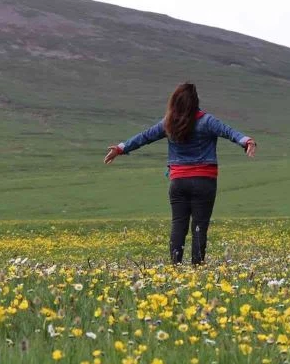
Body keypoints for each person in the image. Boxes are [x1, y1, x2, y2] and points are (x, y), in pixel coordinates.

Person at [104, 82, 256, 265]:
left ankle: (175, 266)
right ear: (196, 101)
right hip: (204, 181)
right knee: (200, 226)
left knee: (178, 224)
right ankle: (197, 267)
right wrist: (246, 141)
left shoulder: (169, 123)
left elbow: (144, 137)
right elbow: (229, 132)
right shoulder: (207, 121)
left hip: (178, 182)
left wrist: (120, 148)